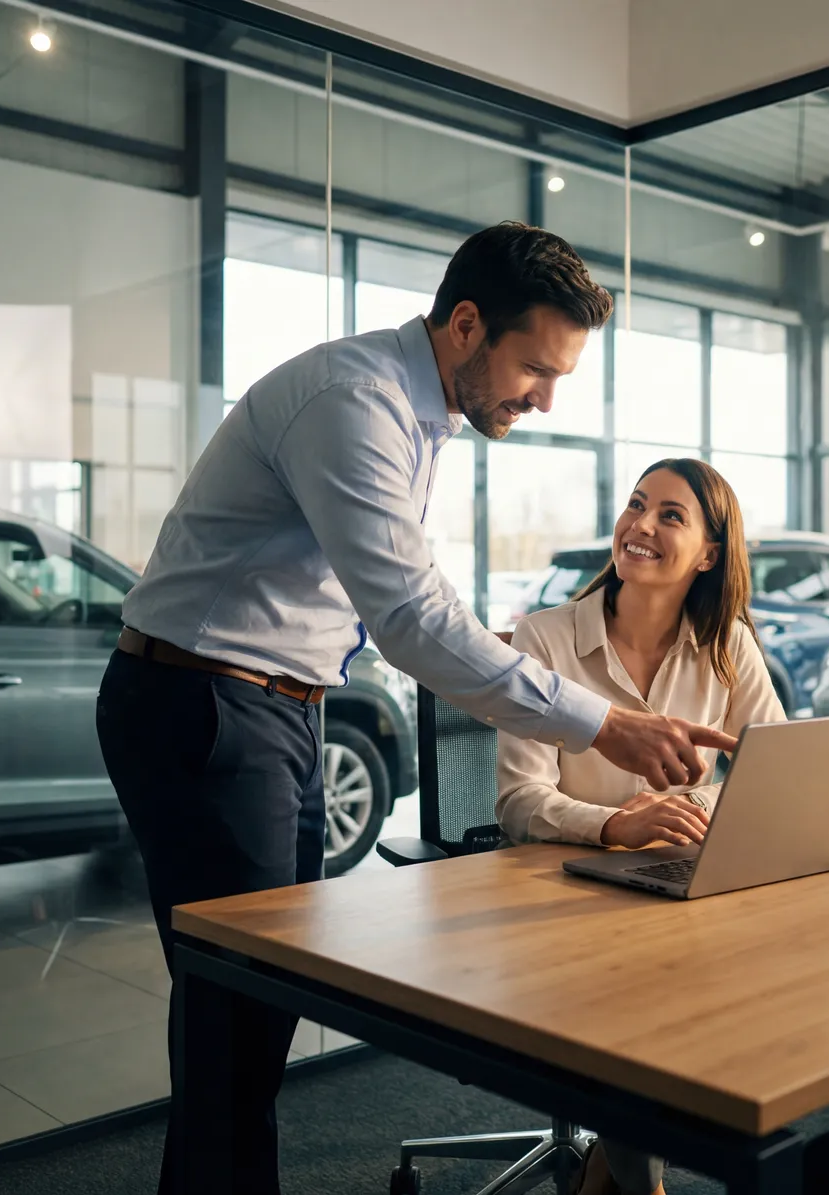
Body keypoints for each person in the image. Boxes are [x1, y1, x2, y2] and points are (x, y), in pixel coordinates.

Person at [94, 224, 738, 1195]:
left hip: (270, 707)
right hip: (207, 703)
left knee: (250, 1017)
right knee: (235, 1019)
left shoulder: (416, 410)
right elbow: (409, 616)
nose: (546, 397)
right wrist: (605, 723)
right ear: (467, 325)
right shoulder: (356, 404)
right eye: (535, 367)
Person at [495, 458, 785, 1195]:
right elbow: (519, 800)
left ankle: (616, 1162)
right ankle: (638, 1180)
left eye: (670, 515)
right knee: (642, 1015)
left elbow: (773, 771)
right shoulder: (545, 640)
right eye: (635, 505)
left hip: (683, 892)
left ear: (710, 554)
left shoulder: (728, 647)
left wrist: (696, 813)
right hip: (565, 902)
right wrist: (614, 826)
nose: (641, 525)